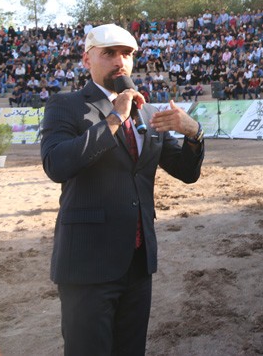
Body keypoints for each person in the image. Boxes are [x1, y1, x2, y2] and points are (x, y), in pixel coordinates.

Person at [40, 24, 205, 356]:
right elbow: (56, 165)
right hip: (87, 265)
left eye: (127, 54)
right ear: (87, 60)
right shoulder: (66, 105)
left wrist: (194, 133)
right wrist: (115, 119)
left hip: (137, 264)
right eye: (109, 53)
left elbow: (187, 172)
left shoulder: (146, 112)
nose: (120, 62)